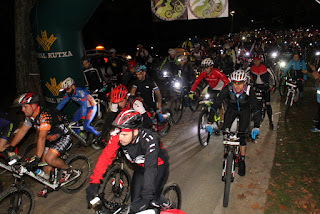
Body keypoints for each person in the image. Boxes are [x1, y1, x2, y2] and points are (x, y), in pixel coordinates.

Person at [86, 110, 169, 213]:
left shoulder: (149, 140)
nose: (120, 138)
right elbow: (105, 158)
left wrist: (147, 197)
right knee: (134, 204)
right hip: (140, 168)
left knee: (151, 201)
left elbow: (151, 170)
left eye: (124, 135)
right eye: (120, 134)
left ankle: (165, 202)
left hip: (157, 167)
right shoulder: (118, 136)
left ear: (135, 131)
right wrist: (94, 182)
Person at [8, 93, 73, 197]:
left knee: (49, 159)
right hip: (49, 139)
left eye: (25, 107)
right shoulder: (30, 117)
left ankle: (69, 169)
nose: (22, 110)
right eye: (22, 107)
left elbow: (41, 137)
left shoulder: (44, 116)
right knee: (44, 163)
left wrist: (36, 157)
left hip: (62, 137)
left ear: (33, 105)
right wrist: (11, 146)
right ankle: (51, 182)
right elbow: (22, 132)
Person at [211, 70, 261, 176]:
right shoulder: (228, 88)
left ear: (245, 82)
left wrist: (256, 126)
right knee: (225, 131)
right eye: (235, 83)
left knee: (242, 134)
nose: (237, 86)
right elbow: (216, 103)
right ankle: (226, 153)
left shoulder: (249, 90)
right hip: (231, 110)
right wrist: (210, 122)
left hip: (244, 111)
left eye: (240, 83)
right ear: (231, 82)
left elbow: (256, 108)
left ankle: (242, 159)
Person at [248, 56, 276, 130]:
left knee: (267, 104)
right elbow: (244, 74)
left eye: (257, 61)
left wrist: (273, 85)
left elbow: (273, 76)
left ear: (260, 60)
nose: (256, 62)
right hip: (256, 87)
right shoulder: (251, 67)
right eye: (255, 61)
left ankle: (271, 121)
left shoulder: (266, 67)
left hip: (265, 87)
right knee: (255, 104)